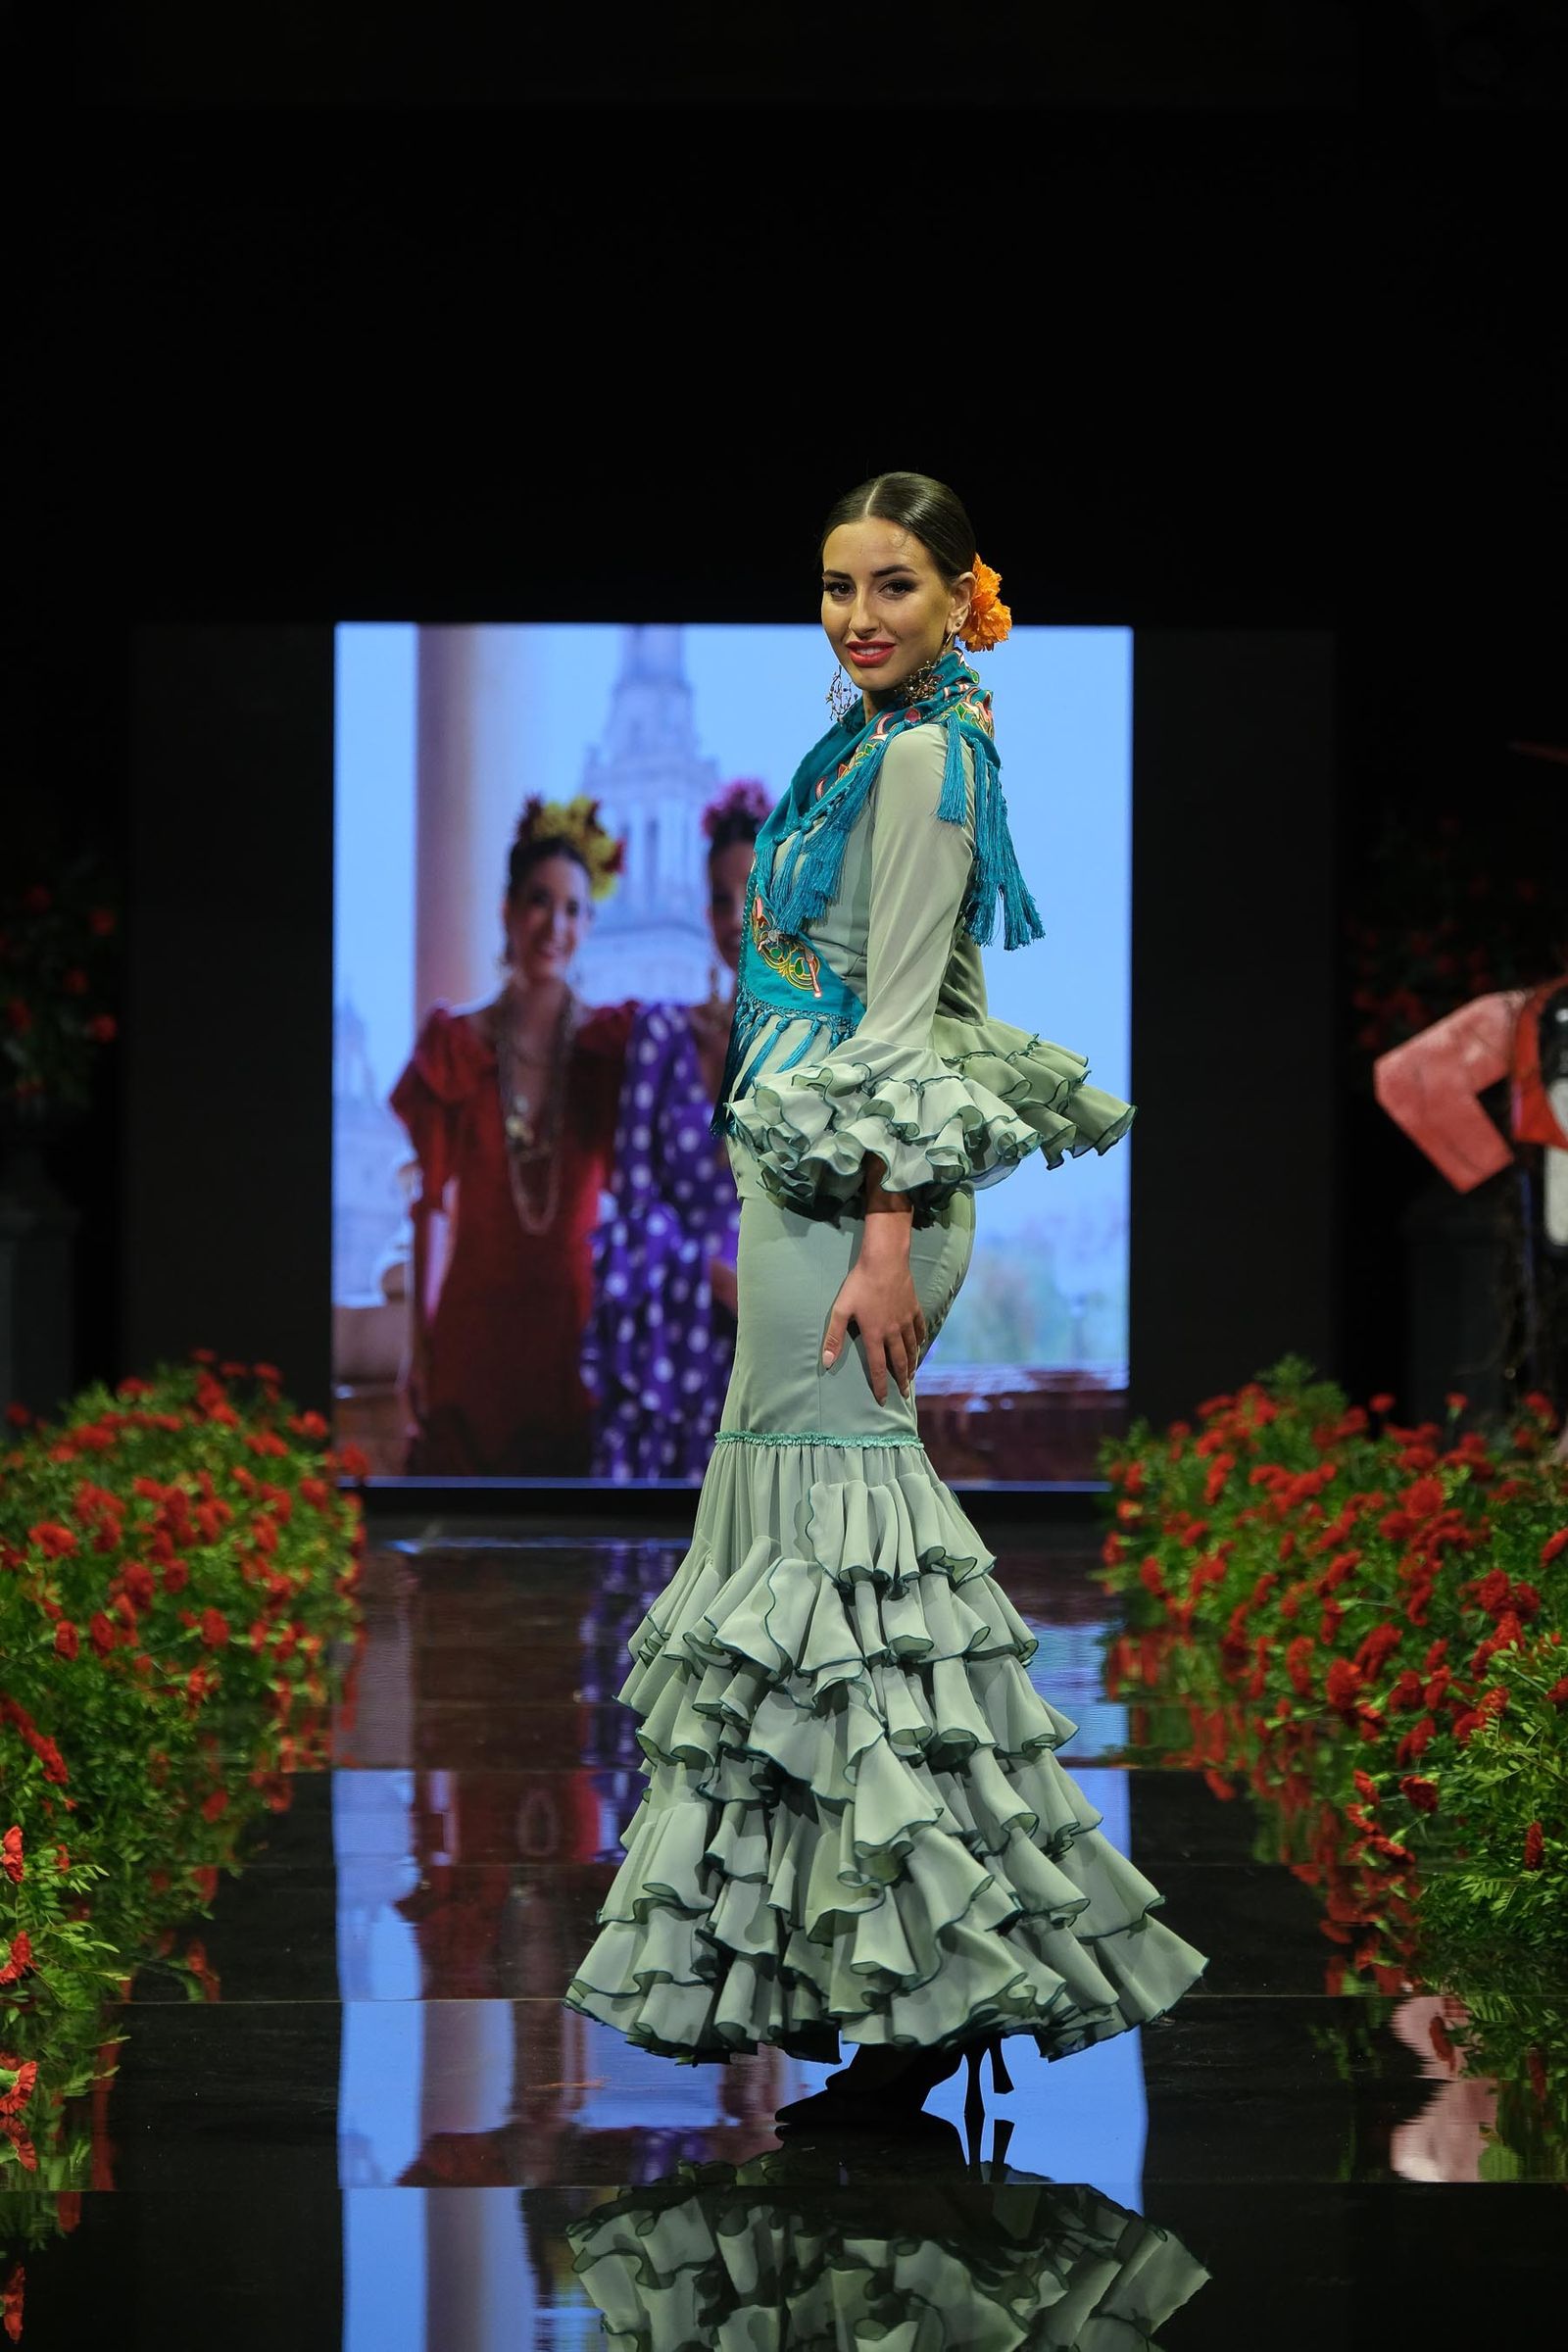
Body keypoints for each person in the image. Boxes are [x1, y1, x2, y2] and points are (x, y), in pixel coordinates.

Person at [564, 473, 1206, 2127]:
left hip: (864, 1198)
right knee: (810, 1570)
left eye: (896, 585)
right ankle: (897, 1976)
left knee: (844, 1567)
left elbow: (909, 1015)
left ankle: (946, 1974)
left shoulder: (927, 751)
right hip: (817, 1189)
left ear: (957, 594)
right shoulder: (872, 740)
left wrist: (880, 1230)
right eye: (840, 583)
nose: (860, 613)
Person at [390, 795, 635, 1476]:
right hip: (472, 1342)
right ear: (507, 910)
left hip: (569, 1340)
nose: (553, 925)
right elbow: (429, 1208)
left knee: (569, 1565)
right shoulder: (454, 1047)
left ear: (588, 924)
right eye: (538, 902)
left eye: (571, 909)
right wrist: (418, 1344)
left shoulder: (608, 1053)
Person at [585, 779, 770, 1481]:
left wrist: (763, 1285)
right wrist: (710, 1275)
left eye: (752, 891)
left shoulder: (824, 1051)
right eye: (721, 899)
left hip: (783, 1348)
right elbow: (633, 1208)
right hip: (678, 1345)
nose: (735, 918)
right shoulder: (664, 1033)